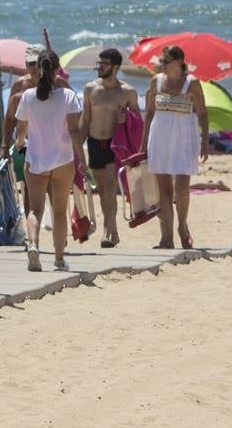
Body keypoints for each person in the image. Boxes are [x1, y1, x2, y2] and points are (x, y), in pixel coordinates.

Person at [15, 51, 84, 272]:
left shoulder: (27, 96)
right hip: (63, 159)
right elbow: (74, 129)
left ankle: (33, 245)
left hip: (36, 158)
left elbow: (21, 127)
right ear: (57, 70)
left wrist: (19, 141)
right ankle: (59, 258)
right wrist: (81, 156)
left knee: (35, 209)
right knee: (59, 211)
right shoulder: (67, 96)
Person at [141, 45, 210, 249]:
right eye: (161, 61)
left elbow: (203, 113)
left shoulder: (192, 83)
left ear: (180, 62)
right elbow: (150, 113)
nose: (162, 64)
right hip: (160, 135)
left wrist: (205, 140)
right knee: (163, 189)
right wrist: (143, 142)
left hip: (184, 136)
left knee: (181, 188)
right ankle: (166, 237)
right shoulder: (156, 81)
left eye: (166, 61)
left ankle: (182, 226)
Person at [80, 48, 140, 247]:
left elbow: (138, 121)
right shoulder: (90, 89)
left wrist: (126, 118)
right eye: (99, 63)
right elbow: (85, 119)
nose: (100, 67)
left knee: (110, 188)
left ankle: (108, 231)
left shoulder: (127, 91)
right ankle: (113, 233)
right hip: (95, 142)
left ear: (115, 67)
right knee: (102, 190)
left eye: (104, 63)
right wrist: (77, 148)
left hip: (116, 144)